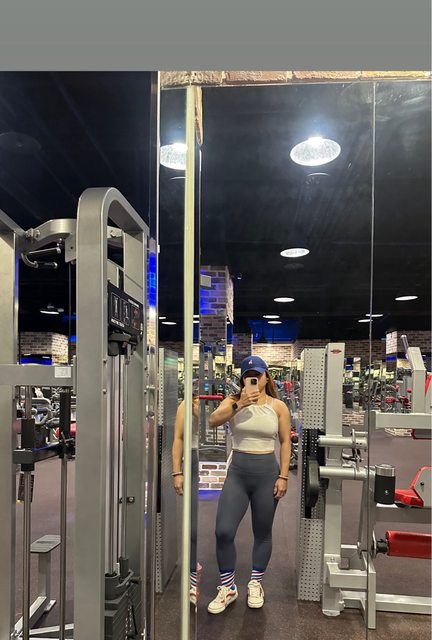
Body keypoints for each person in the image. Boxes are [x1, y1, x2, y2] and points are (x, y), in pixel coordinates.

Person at [206, 355, 291, 614]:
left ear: (266, 377)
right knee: (223, 531)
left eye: (258, 375)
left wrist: (283, 476)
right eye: (248, 376)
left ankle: (255, 583)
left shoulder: (278, 406)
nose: (253, 379)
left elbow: (285, 442)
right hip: (238, 474)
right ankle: (228, 587)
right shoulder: (232, 402)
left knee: (262, 532)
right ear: (242, 379)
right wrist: (240, 403)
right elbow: (212, 420)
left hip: (267, 474)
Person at [172, 389, 200, 605]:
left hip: (223, 461)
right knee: (192, 525)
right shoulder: (186, 405)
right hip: (191, 459)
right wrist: (177, 472)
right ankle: (192, 577)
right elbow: (179, 438)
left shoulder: (227, 402)